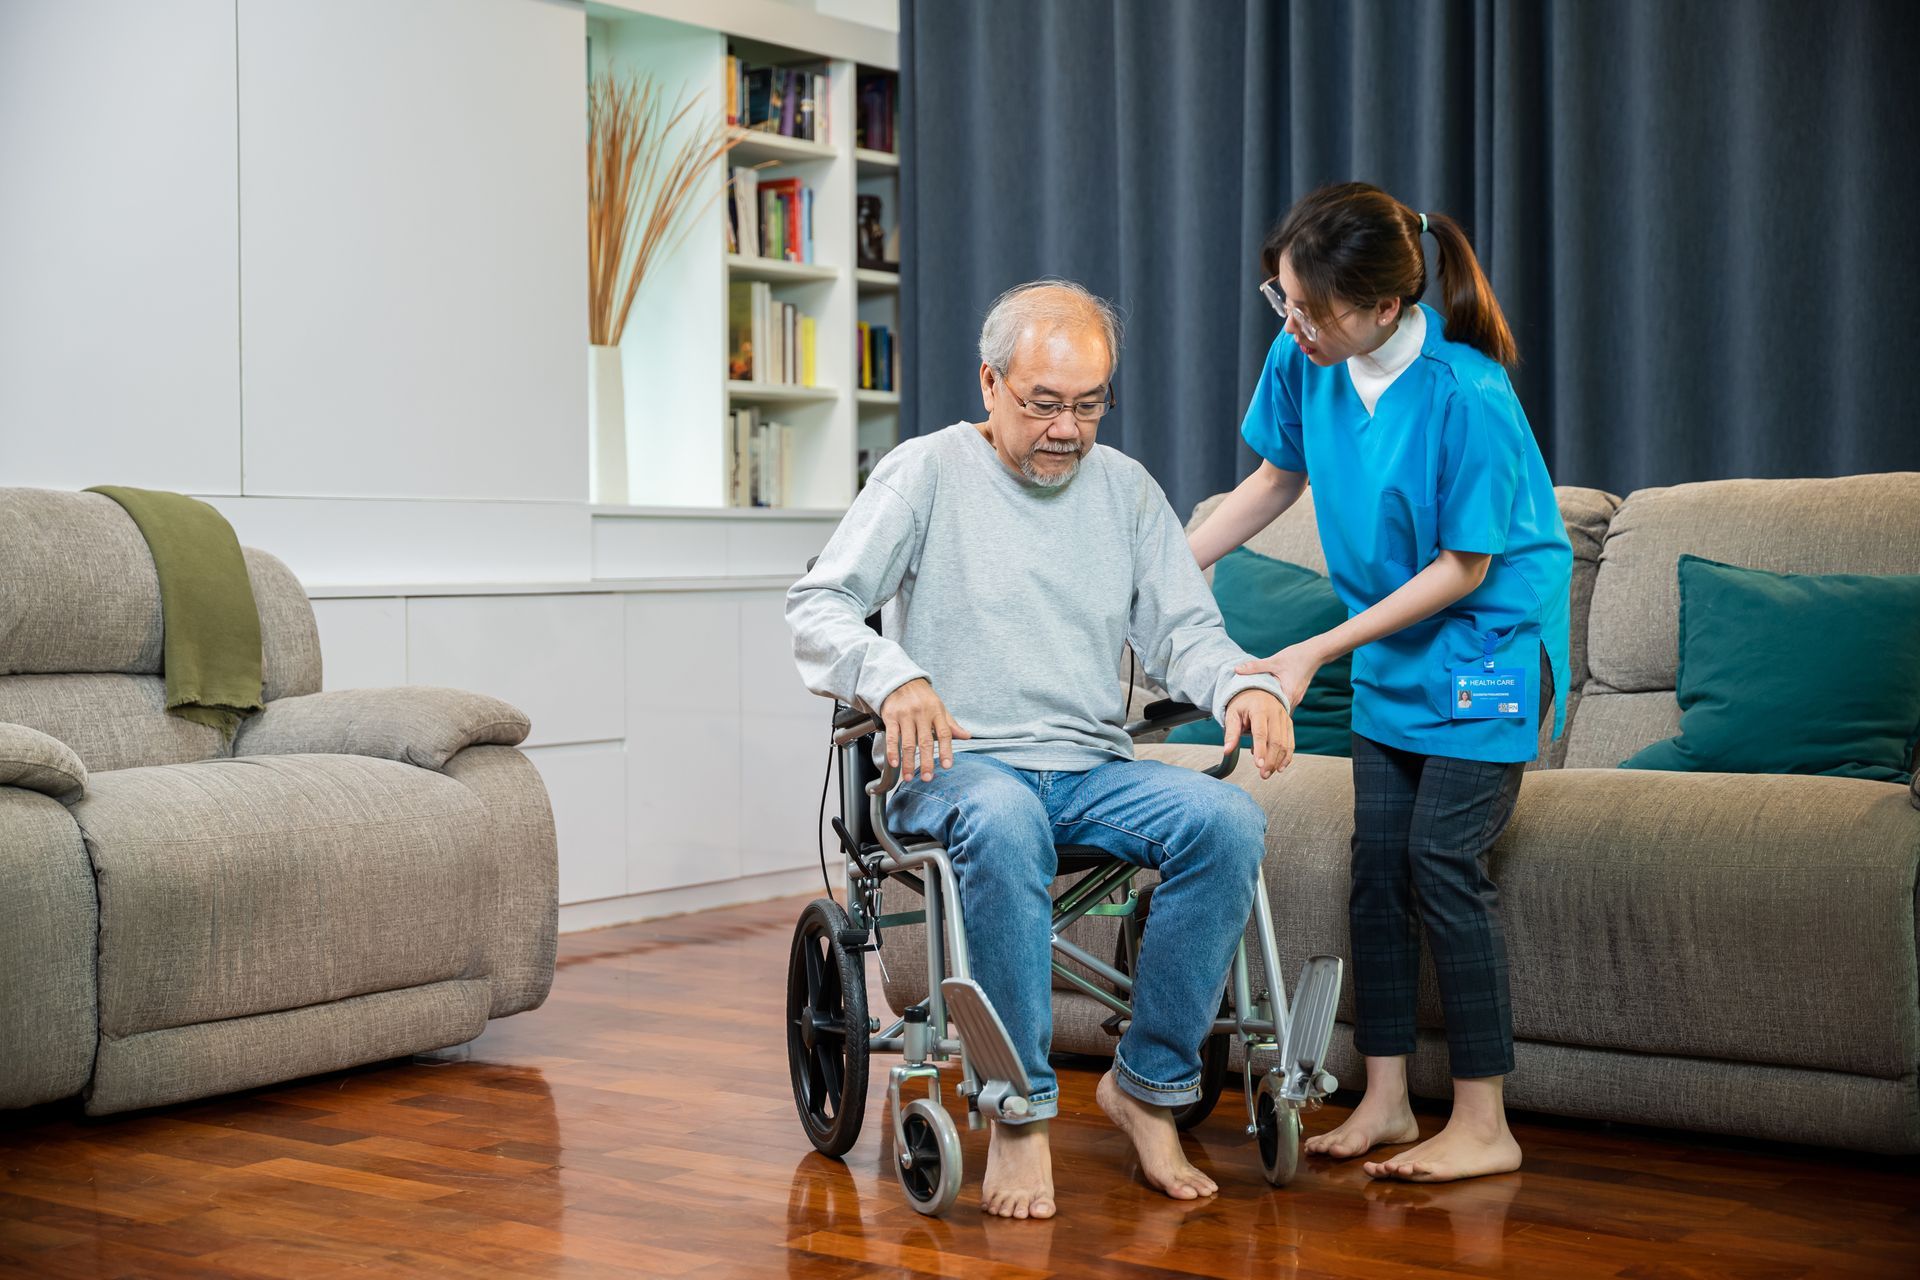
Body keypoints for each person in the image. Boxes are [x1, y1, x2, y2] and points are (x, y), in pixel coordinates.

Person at [788, 280, 1292, 1219]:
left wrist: (1245, 683)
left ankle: (1147, 1088)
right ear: (990, 382)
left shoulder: (1129, 492)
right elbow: (816, 605)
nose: (1067, 428)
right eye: (1044, 402)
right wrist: (894, 674)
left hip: (1092, 771)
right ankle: (1017, 1111)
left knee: (1226, 820)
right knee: (1007, 813)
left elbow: (1188, 634)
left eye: (1089, 404)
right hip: (956, 772)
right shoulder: (925, 473)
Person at [1188, 182, 1572, 1183]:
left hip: (1487, 641)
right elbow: (1273, 480)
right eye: (1283, 299)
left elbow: (1464, 568)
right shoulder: (1304, 356)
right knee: (1376, 868)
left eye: (1312, 307)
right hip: (1397, 642)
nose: (1294, 323)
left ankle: (1486, 1120)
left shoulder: (1467, 393)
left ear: (1387, 307)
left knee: (1443, 862)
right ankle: (1389, 1099)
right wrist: (1164, 569)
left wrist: (1317, 647)